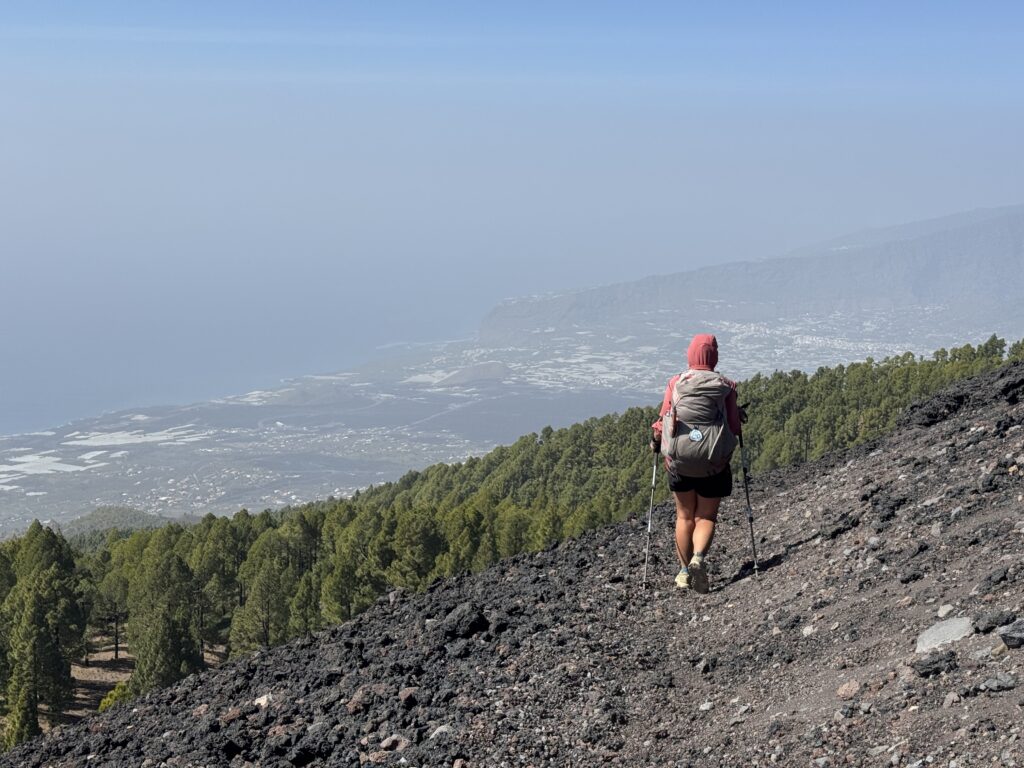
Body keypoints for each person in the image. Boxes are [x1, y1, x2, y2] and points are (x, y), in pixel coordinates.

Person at [651, 333, 743, 594]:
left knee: (684, 516)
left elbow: (664, 420)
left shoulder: (676, 382)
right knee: (705, 516)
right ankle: (698, 559)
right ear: (714, 357)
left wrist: (655, 441)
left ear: (690, 355)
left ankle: (683, 573)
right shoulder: (727, 386)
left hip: (679, 462)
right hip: (713, 463)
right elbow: (734, 427)